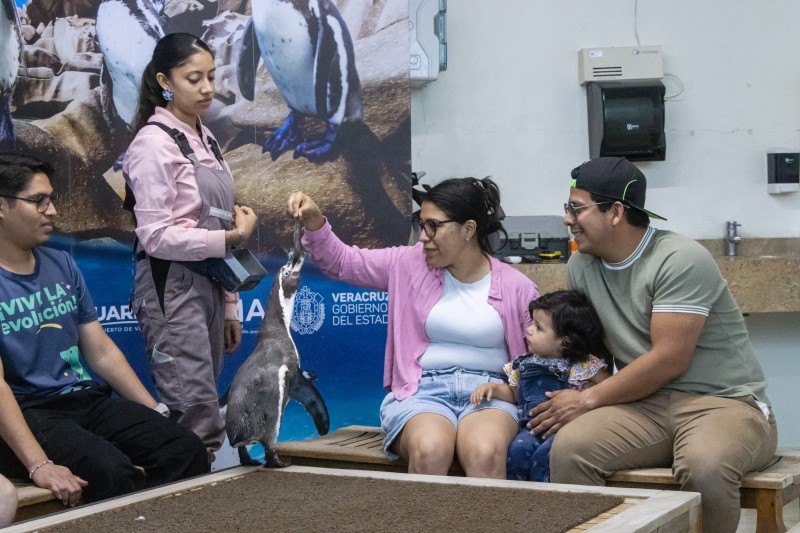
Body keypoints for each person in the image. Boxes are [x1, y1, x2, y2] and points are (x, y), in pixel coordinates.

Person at [530, 156, 776, 532]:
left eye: (576, 208)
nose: (567, 219)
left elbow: (669, 359)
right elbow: (594, 348)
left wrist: (587, 400)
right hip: (643, 404)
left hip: (722, 401)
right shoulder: (582, 266)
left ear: (615, 211)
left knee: (705, 465)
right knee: (571, 448)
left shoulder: (679, 259)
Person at [288, 178, 539, 478]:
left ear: (468, 229)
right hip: (423, 391)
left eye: (433, 226)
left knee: (484, 452)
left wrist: (515, 392)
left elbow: (540, 359)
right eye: (421, 224)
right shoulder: (406, 264)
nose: (423, 236)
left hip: (490, 392)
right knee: (429, 449)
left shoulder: (518, 287)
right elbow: (342, 262)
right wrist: (315, 222)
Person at [0, 153, 209, 507]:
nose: (52, 211)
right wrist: (40, 465)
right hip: (27, 412)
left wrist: (155, 410)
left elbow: (101, 352)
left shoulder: (62, 263)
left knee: (183, 448)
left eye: (52, 199)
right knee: (111, 472)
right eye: (39, 201)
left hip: (83, 399)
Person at [122, 33, 258, 459]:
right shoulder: (153, 143)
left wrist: (230, 305)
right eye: (193, 78)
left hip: (211, 283)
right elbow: (155, 235)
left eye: (211, 77)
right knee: (194, 413)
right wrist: (232, 237)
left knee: (204, 402)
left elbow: (220, 220)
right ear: (165, 81)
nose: (207, 88)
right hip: (172, 288)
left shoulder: (207, 137)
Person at [471, 290, 610, 482]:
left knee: (547, 456)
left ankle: (544, 496)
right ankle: (516, 496)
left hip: (565, 429)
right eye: (532, 323)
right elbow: (515, 393)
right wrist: (493, 389)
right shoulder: (523, 363)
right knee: (517, 451)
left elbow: (608, 386)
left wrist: (589, 391)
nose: (529, 329)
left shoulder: (582, 365)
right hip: (531, 429)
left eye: (538, 327)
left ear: (564, 342)